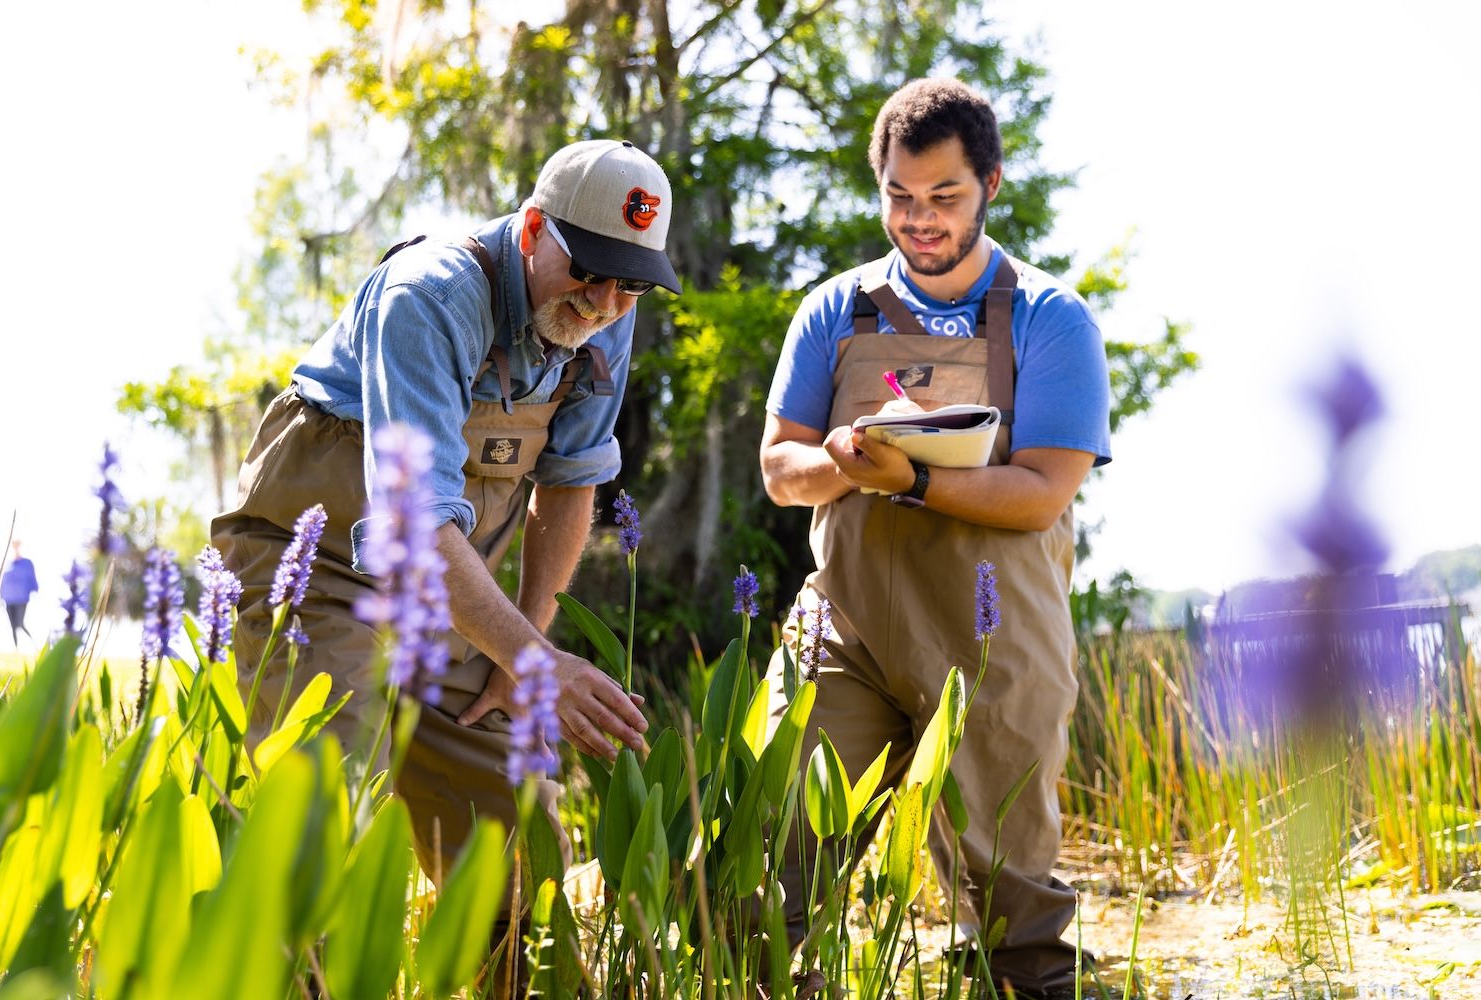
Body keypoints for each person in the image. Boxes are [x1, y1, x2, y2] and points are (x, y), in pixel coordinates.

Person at [211, 139, 680, 882]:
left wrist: (521, 654)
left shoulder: (609, 317)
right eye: (587, 272)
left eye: (631, 285)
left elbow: (569, 484)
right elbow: (413, 521)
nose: (603, 303)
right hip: (321, 572)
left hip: (454, 596)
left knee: (519, 862)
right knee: (323, 835)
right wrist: (535, 663)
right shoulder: (429, 294)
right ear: (532, 231)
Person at [759, 78, 1111, 1000]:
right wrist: (841, 461)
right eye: (900, 198)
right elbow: (779, 470)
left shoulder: (1051, 318)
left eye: (944, 197)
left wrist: (913, 477)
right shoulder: (833, 312)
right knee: (766, 871)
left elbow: (1041, 493)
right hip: (845, 632)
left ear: (991, 182)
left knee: (1014, 906)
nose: (919, 220)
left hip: (998, 644)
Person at [0, 539, 38, 647]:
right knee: (12, 625)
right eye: (14, 546)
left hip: (21, 598)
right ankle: (16, 648)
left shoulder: (27, 563)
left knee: (20, 624)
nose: (16, 548)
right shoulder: (8, 564)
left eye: (17, 546)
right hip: (8, 598)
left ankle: (33, 645)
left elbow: (32, 577)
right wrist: (1, 597)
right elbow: (3, 582)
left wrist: (35, 589)